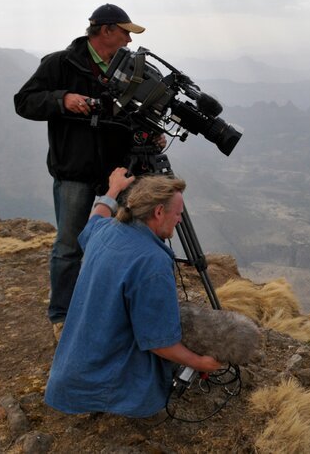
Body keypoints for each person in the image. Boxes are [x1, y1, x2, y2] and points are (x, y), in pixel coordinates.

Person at [45, 168, 222, 419]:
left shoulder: (108, 229)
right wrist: (199, 363)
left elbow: (96, 217)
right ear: (159, 212)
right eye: (178, 214)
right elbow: (160, 343)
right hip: (101, 379)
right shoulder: (152, 263)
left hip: (72, 369)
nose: (180, 220)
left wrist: (113, 189)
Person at [13, 4, 146, 339]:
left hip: (117, 171)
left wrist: (149, 133)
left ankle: (113, 308)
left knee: (122, 242)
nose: (129, 40)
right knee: (70, 246)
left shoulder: (129, 69)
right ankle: (62, 316)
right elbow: (24, 101)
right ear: (105, 31)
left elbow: (131, 113)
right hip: (74, 169)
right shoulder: (60, 63)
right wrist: (62, 99)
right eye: (125, 32)